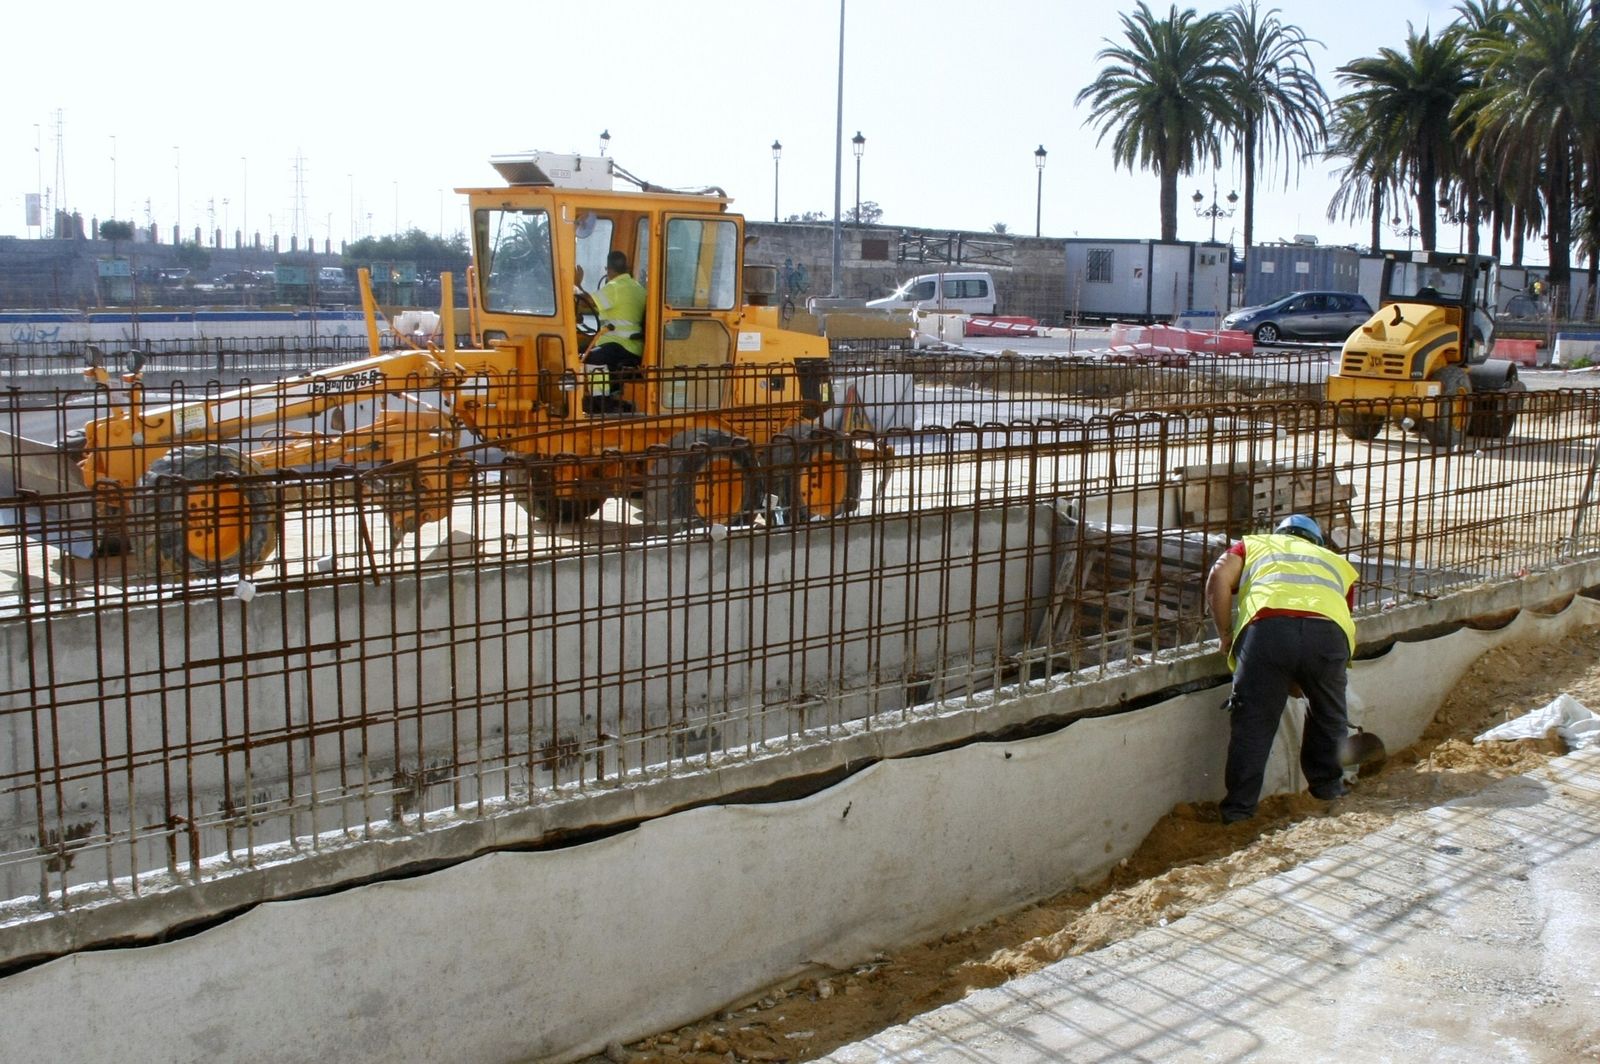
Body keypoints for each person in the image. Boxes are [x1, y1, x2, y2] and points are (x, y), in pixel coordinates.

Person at [1204, 514, 1360, 824]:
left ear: (1279, 533)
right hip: (1328, 636)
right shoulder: (1337, 563)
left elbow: (1218, 578)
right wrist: (1302, 674)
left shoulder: (1253, 545)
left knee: (1253, 724)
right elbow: (1340, 614)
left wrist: (1224, 633)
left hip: (1267, 632)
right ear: (1316, 541)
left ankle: (1238, 812)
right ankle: (1328, 791)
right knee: (1329, 715)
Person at [583, 250, 646, 412]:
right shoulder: (638, 288)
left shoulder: (615, 287)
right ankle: (605, 394)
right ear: (627, 268)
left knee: (590, 357)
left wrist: (576, 285)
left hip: (620, 345)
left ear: (609, 270)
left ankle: (600, 402)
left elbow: (588, 302)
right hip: (635, 347)